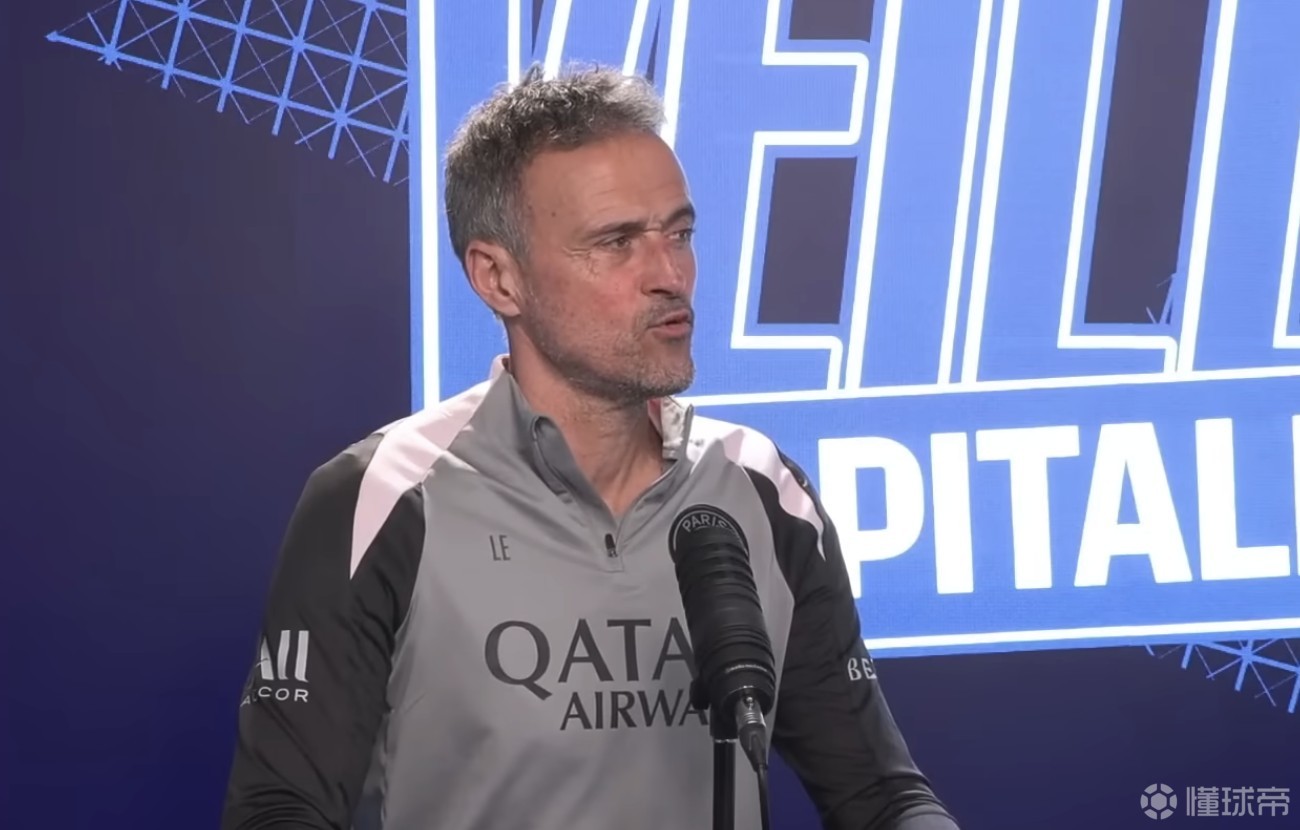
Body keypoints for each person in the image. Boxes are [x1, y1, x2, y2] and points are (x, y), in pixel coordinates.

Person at [220, 63, 959, 830]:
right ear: (498, 278)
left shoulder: (763, 488)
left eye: (679, 234)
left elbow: (881, 798)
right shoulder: (381, 496)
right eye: (616, 242)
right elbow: (280, 810)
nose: (670, 275)